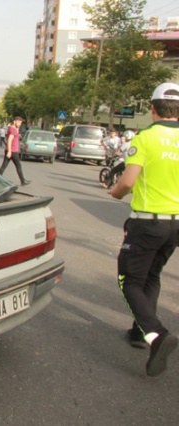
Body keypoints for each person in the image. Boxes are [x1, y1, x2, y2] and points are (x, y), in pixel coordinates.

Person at [108, 82, 179, 377]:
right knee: (152, 275)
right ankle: (139, 331)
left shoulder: (146, 138)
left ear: (152, 108)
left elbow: (128, 182)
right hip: (175, 224)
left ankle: (156, 334)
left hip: (147, 222)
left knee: (129, 279)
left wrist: (115, 193)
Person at [0, 116, 30, 186]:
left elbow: (14, 136)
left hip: (10, 150)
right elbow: (9, 140)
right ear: (14, 121)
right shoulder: (13, 129)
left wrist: (18, 131)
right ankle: (23, 181)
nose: (19, 124)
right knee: (18, 165)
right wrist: (9, 151)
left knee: (4, 165)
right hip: (12, 151)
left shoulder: (12, 128)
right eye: (18, 122)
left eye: (20, 123)